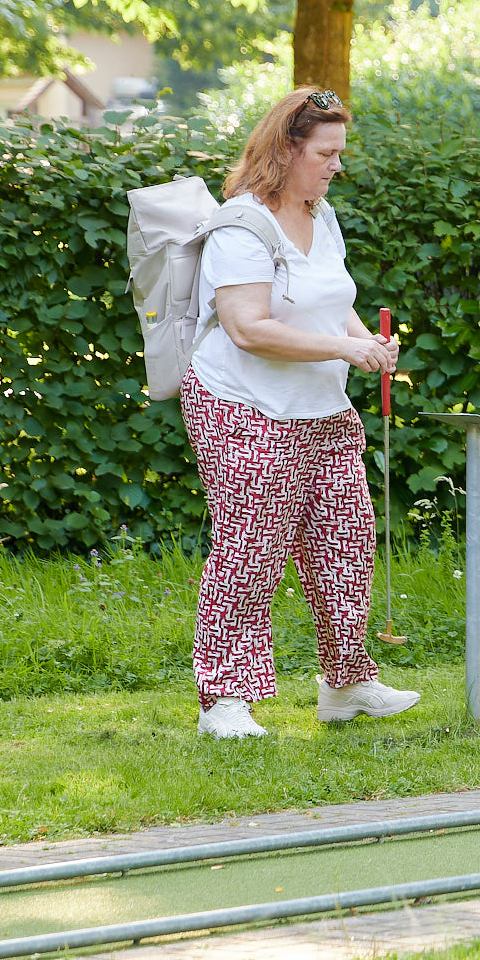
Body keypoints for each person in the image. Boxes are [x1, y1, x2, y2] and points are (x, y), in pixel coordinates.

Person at [181, 87, 420, 739]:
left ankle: (345, 683)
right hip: (245, 408)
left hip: (321, 408)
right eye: (325, 152)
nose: (336, 164)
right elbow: (247, 327)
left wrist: (364, 340)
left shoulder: (323, 215)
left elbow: (332, 295)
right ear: (286, 149)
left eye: (340, 152)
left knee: (346, 541)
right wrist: (345, 345)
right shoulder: (242, 225)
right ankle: (223, 700)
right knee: (250, 550)